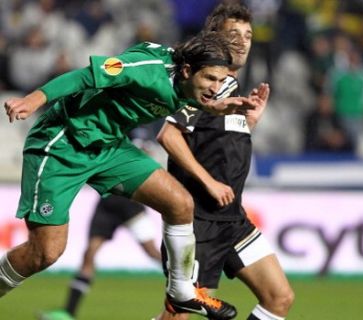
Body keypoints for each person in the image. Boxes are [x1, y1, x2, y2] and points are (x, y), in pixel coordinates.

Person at [1, 31, 258, 320]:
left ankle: (182, 291)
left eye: (221, 81)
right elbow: (85, 76)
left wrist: (214, 106)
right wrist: (35, 99)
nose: (216, 87)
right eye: (211, 78)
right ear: (187, 70)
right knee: (45, 253)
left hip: (110, 147)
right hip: (63, 144)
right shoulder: (146, 69)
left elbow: (182, 97)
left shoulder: (189, 85)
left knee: (180, 204)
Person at [155, 3, 294, 320]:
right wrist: (208, 182)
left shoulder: (231, 87)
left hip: (232, 221)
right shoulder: (204, 86)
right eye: (234, 33)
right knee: (178, 315)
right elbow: (169, 135)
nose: (243, 40)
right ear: (213, 36)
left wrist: (249, 123)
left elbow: (216, 142)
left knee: (279, 297)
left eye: (248, 34)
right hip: (198, 223)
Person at [38, 128, 163, 320]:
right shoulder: (118, 137)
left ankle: (189, 283)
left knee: (152, 252)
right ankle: (68, 313)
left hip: (131, 205)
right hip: (108, 204)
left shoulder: (142, 143)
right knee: (89, 254)